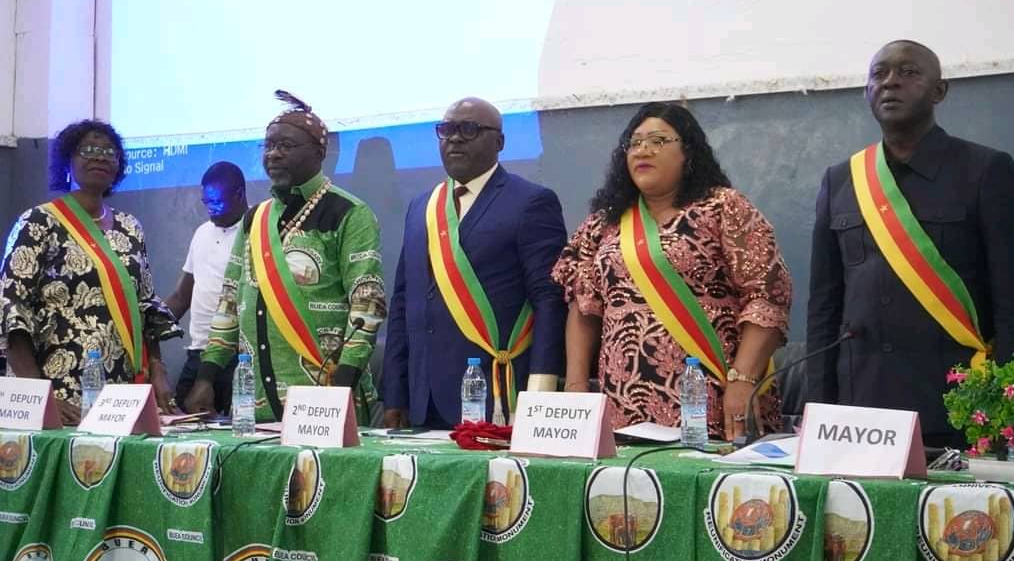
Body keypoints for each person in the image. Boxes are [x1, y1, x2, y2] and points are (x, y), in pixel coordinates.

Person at [806, 40, 1014, 447]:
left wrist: (1007, 414)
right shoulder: (842, 179)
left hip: (957, 405)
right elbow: (824, 306)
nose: (890, 82)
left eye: (909, 72)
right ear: (866, 91)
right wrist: (819, 409)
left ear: (939, 91)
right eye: (879, 74)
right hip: (860, 410)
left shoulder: (985, 170)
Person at [554, 102, 792, 440]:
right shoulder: (603, 223)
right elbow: (583, 306)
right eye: (635, 143)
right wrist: (576, 388)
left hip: (714, 400)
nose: (643, 150)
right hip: (623, 406)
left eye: (658, 141)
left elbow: (767, 297)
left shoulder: (724, 207)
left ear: (688, 152)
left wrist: (743, 380)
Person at [184, 92, 386, 423]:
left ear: (319, 153)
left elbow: (368, 304)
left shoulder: (350, 212)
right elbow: (230, 301)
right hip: (254, 402)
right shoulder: (255, 218)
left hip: (324, 393)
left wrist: (343, 384)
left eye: (286, 146)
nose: (273, 154)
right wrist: (206, 376)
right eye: (268, 145)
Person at [383, 98, 568, 428]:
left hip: (494, 394)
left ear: (499, 142)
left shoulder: (531, 202)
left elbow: (549, 301)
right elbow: (403, 302)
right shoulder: (421, 206)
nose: (454, 138)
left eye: (468, 129)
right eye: (446, 130)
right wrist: (396, 393)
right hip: (422, 400)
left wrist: (541, 390)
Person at [0, 120, 182, 424]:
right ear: (67, 161)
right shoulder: (38, 222)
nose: (100, 156)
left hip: (121, 397)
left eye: (109, 152)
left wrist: (158, 369)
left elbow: (145, 305)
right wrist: (38, 396)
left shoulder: (130, 227)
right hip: (61, 394)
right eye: (88, 150)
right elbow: (11, 308)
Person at [164, 162, 249, 413]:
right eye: (206, 203)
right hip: (198, 352)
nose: (211, 209)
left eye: (217, 202)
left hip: (240, 356)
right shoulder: (202, 232)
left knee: (239, 428)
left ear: (239, 194)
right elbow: (182, 296)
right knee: (179, 425)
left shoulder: (257, 231)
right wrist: (145, 328)